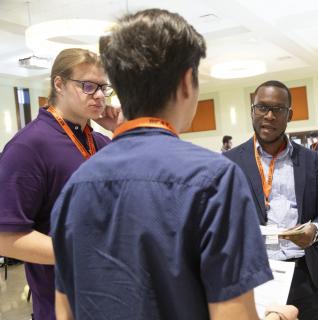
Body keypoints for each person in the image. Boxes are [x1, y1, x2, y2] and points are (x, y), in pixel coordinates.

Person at [50, 9, 297, 320]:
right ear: (185, 83)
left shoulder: (74, 188)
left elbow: (64, 311)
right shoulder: (216, 180)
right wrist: (278, 317)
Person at [0, 48, 120, 320]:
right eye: (88, 86)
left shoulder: (102, 143)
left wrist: (122, 129)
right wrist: (83, 251)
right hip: (63, 307)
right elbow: (5, 238)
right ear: (59, 84)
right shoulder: (28, 147)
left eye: (104, 87)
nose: (100, 95)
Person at [224, 80, 318, 320]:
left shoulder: (309, 160)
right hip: (252, 276)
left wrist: (314, 231)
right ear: (252, 110)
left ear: (290, 115)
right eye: (261, 107)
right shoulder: (230, 162)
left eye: (278, 109)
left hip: (304, 274)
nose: (269, 115)